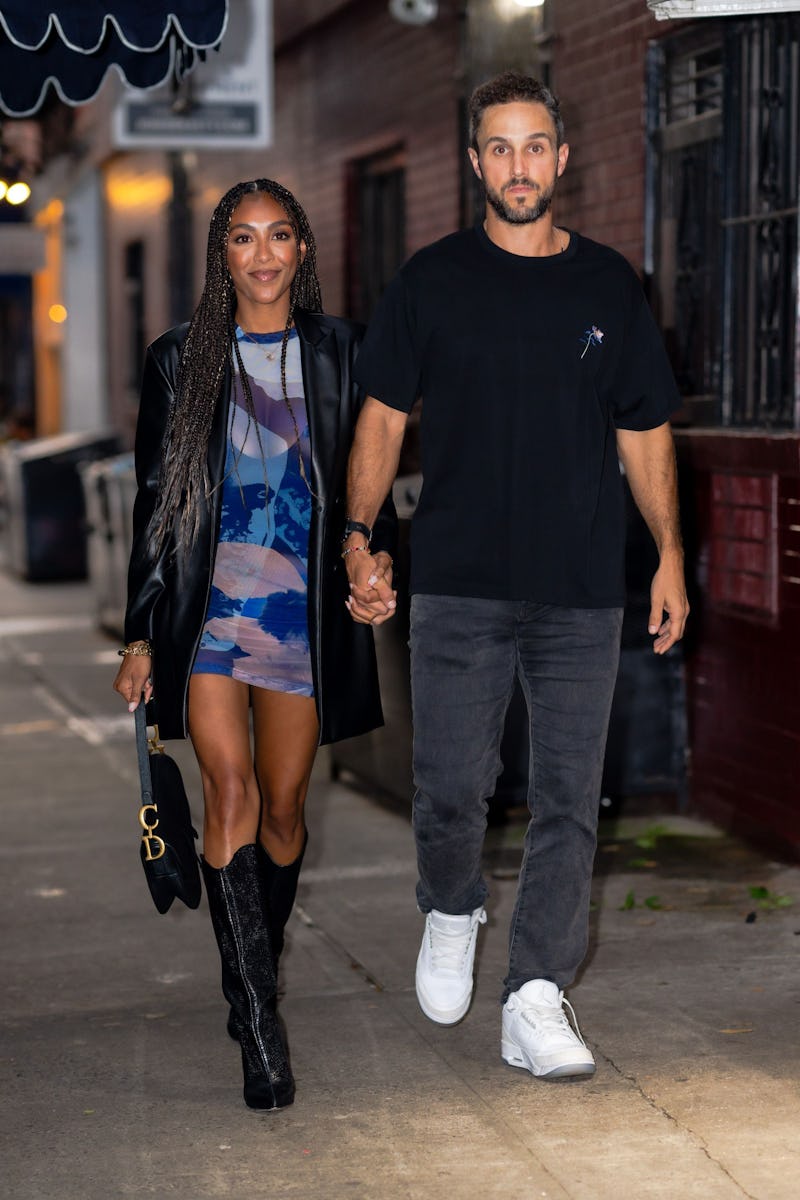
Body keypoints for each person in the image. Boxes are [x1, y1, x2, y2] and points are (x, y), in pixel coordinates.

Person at [343, 72, 688, 1080]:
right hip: (457, 579)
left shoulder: (605, 287)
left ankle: (535, 993)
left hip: (580, 585)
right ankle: (451, 907)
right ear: (473, 163)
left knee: (569, 798)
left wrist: (667, 553)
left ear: (561, 158)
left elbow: (643, 429)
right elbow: (380, 418)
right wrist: (358, 533)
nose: (518, 166)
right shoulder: (431, 281)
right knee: (451, 787)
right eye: (498, 148)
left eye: (534, 146)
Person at [113, 179, 396, 1110]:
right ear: (221, 254)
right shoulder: (180, 359)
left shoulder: (344, 353)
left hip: (298, 621)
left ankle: (254, 961)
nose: (264, 254)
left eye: (280, 236)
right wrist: (143, 632)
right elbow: (158, 502)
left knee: (282, 812)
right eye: (244, 238)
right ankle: (259, 1027)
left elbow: (368, 486)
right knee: (227, 790)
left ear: (303, 250)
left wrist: (371, 566)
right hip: (210, 618)